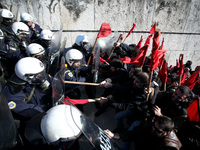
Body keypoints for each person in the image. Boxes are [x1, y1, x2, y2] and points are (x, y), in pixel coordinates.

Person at [104, 115, 182, 150]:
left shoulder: (169, 146)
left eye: (157, 130)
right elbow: (133, 133)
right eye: (154, 126)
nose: (153, 129)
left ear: (167, 133)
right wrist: (114, 135)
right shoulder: (151, 125)